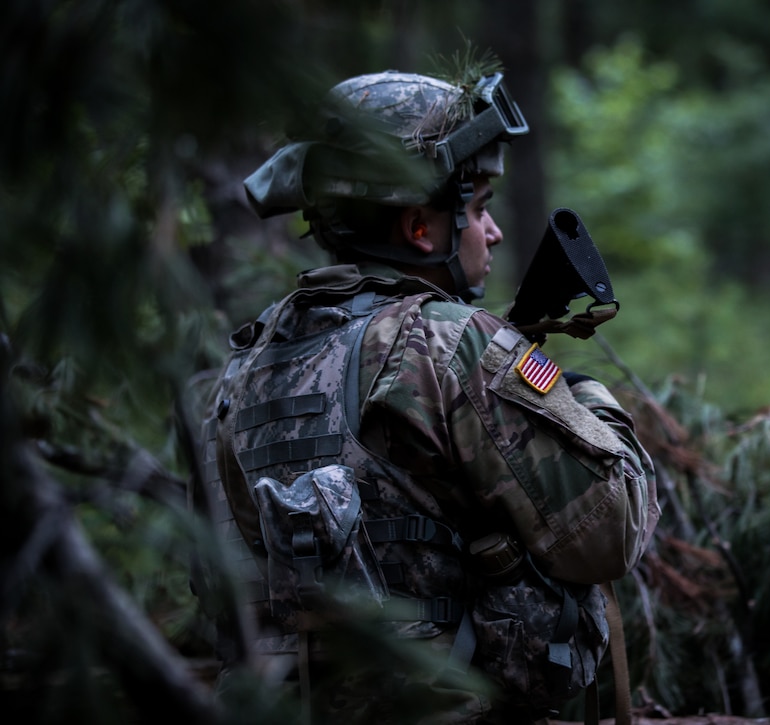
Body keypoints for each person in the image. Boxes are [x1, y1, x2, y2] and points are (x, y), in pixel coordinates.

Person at [195, 66, 659, 724]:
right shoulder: (450, 344)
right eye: (477, 207)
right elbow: (610, 529)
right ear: (420, 227)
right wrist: (589, 400)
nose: (492, 231)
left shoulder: (245, 362)